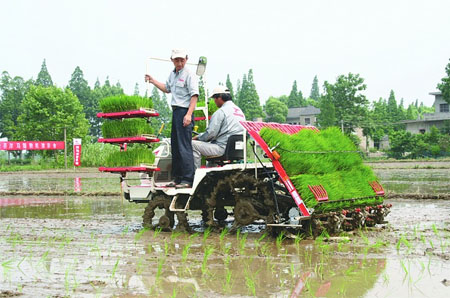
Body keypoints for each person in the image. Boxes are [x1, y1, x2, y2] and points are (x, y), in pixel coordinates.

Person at [145, 49, 198, 188]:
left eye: (182, 60)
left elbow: (194, 96)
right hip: (175, 112)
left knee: (184, 146)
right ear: (172, 60)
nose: (179, 63)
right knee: (175, 146)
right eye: (176, 60)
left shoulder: (189, 75)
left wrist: (188, 114)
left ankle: (187, 179)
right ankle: (177, 178)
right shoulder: (172, 75)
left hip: (185, 112)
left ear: (186, 59)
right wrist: (152, 81)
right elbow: (167, 88)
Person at [192, 86, 246, 169]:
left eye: (214, 98)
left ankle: (195, 176)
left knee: (192, 144)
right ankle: (210, 175)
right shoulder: (239, 111)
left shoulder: (221, 112)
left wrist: (197, 137)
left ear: (219, 97)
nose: (214, 101)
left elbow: (210, 134)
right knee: (212, 149)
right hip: (237, 149)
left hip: (222, 148)